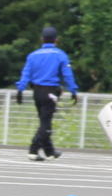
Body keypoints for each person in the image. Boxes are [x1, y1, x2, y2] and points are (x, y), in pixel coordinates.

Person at [15, 26, 79, 161]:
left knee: (43, 120)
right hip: (51, 92)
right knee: (46, 124)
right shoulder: (60, 55)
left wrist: (20, 90)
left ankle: (49, 152)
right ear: (57, 40)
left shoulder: (33, 55)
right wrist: (73, 90)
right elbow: (67, 75)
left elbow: (25, 74)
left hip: (37, 92)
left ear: (41, 39)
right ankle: (33, 150)